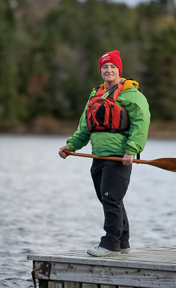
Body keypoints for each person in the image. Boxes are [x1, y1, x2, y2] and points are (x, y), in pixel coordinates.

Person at [58, 50, 150, 257]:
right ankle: (122, 242)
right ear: (101, 70)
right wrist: (70, 146)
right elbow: (85, 127)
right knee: (108, 198)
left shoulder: (131, 94)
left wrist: (131, 150)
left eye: (112, 67)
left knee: (111, 199)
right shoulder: (96, 95)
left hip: (119, 157)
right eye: (105, 67)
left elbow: (141, 124)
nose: (109, 70)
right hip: (98, 156)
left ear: (119, 70)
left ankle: (110, 244)